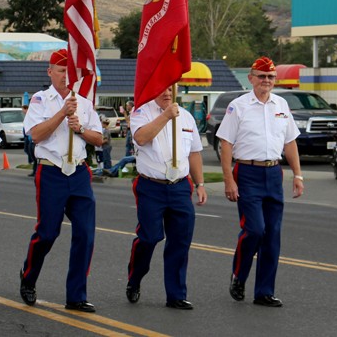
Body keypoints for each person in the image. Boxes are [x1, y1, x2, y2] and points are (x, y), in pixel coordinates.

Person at [19, 48, 102, 313]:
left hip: (78, 172)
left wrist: (80, 128)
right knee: (47, 233)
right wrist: (62, 114)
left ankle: (76, 295)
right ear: (50, 72)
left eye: (70, 71)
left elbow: (99, 138)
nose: (66, 76)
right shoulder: (40, 100)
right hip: (52, 171)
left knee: (85, 234)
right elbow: (36, 135)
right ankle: (28, 277)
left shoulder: (84, 102)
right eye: (62, 70)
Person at [217, 56, 304, 308]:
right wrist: (227, 180)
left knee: (272, 235)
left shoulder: (281, 104)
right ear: (251, 78)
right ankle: (239, 275)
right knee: (254, 229)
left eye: (271, 77)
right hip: (247, 172)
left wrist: (298, 175)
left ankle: (264, 291)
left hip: (273, 173)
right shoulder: (238, 106)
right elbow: (226, 143)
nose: (266, 81)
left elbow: (290, 142)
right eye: (262, 76)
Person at [125, 86, 207, 310]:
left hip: (180, 187)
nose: (168, 92)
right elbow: (141, 138)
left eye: (172, 88)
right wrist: (165, 115)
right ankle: (135, 278)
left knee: (180, 242)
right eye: (162, 88)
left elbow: (194, 153)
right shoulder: (141, 112)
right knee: (149, 238)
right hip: (151, 187)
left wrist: (200, 184)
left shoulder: (187, 117)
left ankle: (176, 294)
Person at [22, 105, 38, 177]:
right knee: (30, 153)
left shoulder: (32, 116)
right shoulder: (27, 117)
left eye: (23, 110)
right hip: (29, 139)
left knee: (35, 157)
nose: (23, 112)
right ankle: (34, 170)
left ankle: (35, 171)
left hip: (33, 140)